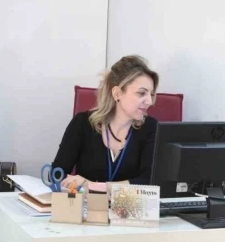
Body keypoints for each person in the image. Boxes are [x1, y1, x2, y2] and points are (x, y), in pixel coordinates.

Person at [52, 55, 159, 188]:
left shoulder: (151, 128)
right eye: (141, 93)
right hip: (85, 201)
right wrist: (70, 184)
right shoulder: (82, 123)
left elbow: (148, 182)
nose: (149, 101)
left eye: (151, 94)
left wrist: (93, 186)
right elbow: (57, 174)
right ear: (117, 93)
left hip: (130, 202)